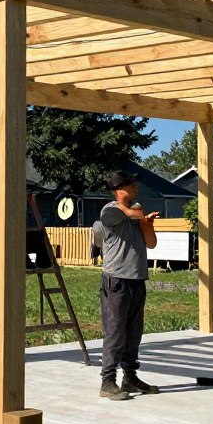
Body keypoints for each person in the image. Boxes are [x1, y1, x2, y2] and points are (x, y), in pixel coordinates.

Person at [96, 169, 160, 400]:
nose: (136, 188)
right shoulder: (110, 210)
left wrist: (146, 225)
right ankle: (107, 381)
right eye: (132, 185)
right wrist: (138, 214)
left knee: (134, 333)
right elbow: (113, 217)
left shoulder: (134, 213)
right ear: (120, 190)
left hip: (137, 280)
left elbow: (151, 244)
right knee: (114, 333)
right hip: (116, 281)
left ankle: (130, 377)